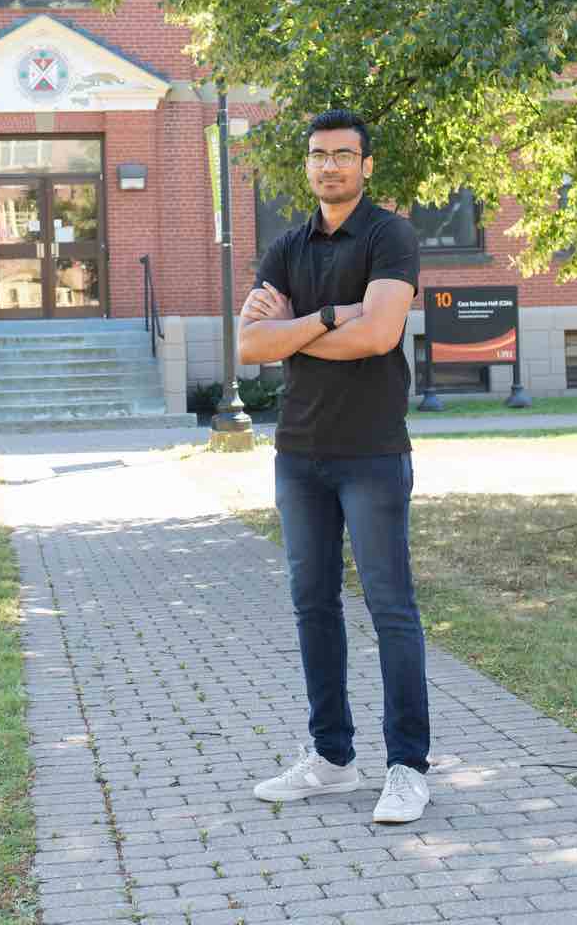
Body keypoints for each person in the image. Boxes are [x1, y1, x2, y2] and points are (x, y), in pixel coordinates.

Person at [237, 107, 429, 824]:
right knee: (313, 607)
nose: (329, 167)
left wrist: (289, 331)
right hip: (299, 456)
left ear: (366, 164)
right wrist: (325, 319)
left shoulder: (389, 236)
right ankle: (332, 759)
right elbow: (249, 349)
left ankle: (408, 766)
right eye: (318, 155)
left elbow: (380, 334)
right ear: (307, 164)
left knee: (390, 610)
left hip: (372, 454)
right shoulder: (286, 247)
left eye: (343, 155)